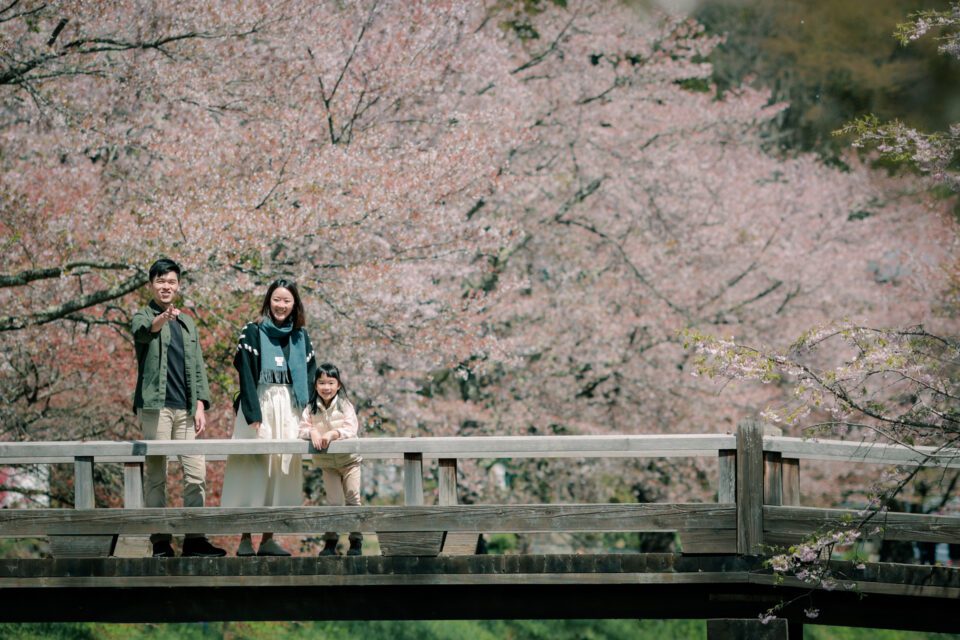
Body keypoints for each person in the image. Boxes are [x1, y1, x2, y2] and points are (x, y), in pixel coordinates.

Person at [131, 258, 226, 558]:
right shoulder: (142, 315)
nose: (166, 286)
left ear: (178, 285)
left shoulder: (187, 322)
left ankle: (195, 538)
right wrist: (163, 319)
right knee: (156, 474)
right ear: (151, 285)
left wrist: (200, 404)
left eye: (171, 281)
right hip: (155, 408)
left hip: (185, 408)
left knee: (195, 472)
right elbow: (145, 331)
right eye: (160, 281)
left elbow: (197, 366)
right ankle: (160, 541)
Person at [221, 279, 316, 556]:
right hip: (260, 404)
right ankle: (244, 538)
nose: (281, 305)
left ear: (294, 304)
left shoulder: (300, 336)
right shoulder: (252, 331)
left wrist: (307, 412)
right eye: (277, 299)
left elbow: (309, 377)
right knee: (252, 467)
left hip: (289, 408)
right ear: (268, 300)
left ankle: (268, 538)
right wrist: (253, 414)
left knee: (280, 470)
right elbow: (246, 374)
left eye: (287, 300)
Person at [299, 363, 363, 556]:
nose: (326, 387)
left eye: (330, 382)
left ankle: (356, 540)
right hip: (328, 464)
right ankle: (331, 542)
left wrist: (333, 433)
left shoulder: (345, 405)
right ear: (315, 385)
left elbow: (351, 429)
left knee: (353, 498)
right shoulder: (311, 408)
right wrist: (312, 432)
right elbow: (301, 428)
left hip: (349, 460)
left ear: (338, 385)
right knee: (334, 501)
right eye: (321, 383)